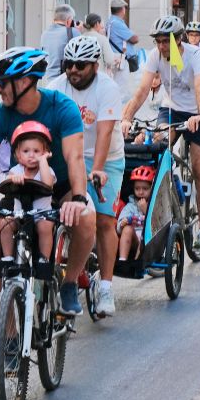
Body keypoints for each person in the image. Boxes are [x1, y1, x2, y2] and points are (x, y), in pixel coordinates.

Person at [0, 47, 97, 317]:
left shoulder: (61, 107)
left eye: (2, 82)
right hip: (21, 189)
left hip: (60, 187)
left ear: (24, 82)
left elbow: (74, 157)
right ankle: (8, 337)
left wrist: (77, 199)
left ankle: (68, 283)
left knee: (87, 218)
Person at [121, 15, 200, 252]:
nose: (162, 46)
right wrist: (126, 118)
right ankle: (161, 205)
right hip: (172, 108)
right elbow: (142, 90)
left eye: (167, 41)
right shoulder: (155, 56)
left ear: (179, 38)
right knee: (157, 146)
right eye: (159, 41)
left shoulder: (195, 56)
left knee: (199, 168)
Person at [46, 35, 124, 316]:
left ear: (94, 65)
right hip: (68, 155)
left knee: (103, 219)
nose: (73, 70)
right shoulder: (56, 87)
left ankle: (105, 286)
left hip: (105, 159)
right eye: (69, 64)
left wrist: (99, 169)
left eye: (80, 65)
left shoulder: (108, 88)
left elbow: (104, 133)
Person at [2, 121, 56, 261]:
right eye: (26, 151)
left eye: (37, 151)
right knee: (5, 224)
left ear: (45, 152)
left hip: (41, 215)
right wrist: (14, 178)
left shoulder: (46, 171)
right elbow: (6, 181)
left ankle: (44, 259)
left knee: (45, 227)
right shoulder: (16, 171)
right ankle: (7, 257)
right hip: (19, 215)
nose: (31, 155)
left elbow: (48, 184)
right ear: (18, 155)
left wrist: (43, 161)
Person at [117, 165, 154, 262]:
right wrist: (122, 224)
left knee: (144, 236)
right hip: (133, 240)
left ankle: (138, 263)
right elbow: (120, 225)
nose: (141, 192)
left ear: (152, 188)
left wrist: (146, 210)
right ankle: (122, 260)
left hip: (149, 240)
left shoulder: (155, 204)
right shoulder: (131, 205)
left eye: (145, 189)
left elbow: (157, 225)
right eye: (137, 188)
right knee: (127, 229)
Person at [82, 12, 124, 79]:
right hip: (98, 75)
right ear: (97, 24)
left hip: (83, 75)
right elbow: (109, 60)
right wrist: (116, 60)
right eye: (101, 23)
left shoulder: (80, 38)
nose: (102, 26)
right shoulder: (102, 39)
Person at [40, 4, 78, 80]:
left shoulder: (44, 34)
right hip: (65, 80)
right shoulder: (72, 32)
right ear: (69, 20)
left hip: (48, 80)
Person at [107, 0, 139, 74]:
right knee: (123, 85)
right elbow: (135, 39)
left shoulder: (111, 21)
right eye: (125, 8)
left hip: (119, 60)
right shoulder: (117, 23)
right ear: (122, 9)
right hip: (122, 62)